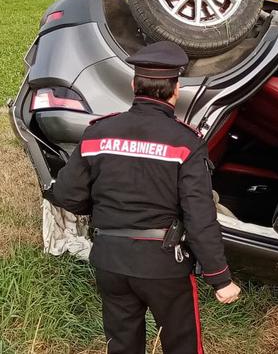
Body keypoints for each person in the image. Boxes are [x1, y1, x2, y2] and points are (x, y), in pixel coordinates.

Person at [51, 41, 241, 354]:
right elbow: (199, 216)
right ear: (175, 89)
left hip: (110, 260)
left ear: (133, 85)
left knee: (122, 345)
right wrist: (220, 278)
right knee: (182, 346)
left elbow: (67, 195)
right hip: (163, 264)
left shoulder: (98, 132)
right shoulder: (185, 142)